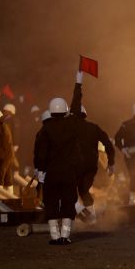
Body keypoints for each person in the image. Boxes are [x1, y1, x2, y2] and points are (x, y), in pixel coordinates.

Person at [34, 95, 82, 245]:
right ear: (65, 111)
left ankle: (55, 237)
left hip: (52, 173)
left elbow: (41, 153)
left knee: (51, 203)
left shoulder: (45, 130)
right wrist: (78, 87)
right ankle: (65, 236)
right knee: (69, 202)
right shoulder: (72, 126)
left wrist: (40, 170)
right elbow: (76, 108)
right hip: (69, 172)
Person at [70, 71, 115, 224]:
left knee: (69, 189)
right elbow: (108, 143)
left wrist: (78, 83)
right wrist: (111, 163)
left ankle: (81, 212)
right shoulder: (94, 128)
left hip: (76, 165)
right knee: (84, 191)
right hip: (91, 166)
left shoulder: (71, 127)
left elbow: (75, 102)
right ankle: (92, 219)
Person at [1, 103, 22, 176]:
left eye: (5, 111)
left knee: (12, 160)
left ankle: (16, 174)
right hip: (6, 143)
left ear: (10, 111)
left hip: (11, 144)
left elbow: (16, 132)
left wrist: (15, 144)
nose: (4, 112)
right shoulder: (5, 120)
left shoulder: (14, 120)